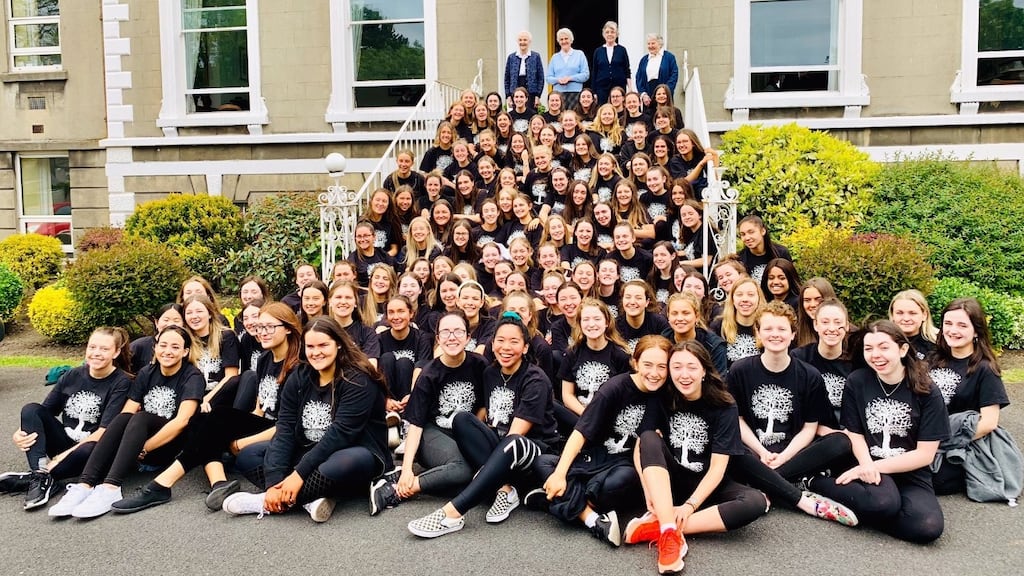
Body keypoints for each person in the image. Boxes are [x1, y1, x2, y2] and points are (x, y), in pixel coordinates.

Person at [110, 303, 302, 513]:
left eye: (269, 327)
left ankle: (161, 485)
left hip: (284, 431)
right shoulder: (266, 358)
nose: (262, 333)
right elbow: (260, 408)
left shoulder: (298, 367)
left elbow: (290, 424)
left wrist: (243, 441)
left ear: (288, 328)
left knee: (217, 419)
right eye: (259, 327)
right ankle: (219, 483)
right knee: (204, 417)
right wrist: (239, 426)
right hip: (267, 422)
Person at [220, 316, 392, 523]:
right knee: (249, 455)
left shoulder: (358, 379)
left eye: (323, 345)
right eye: (310, 346)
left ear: (338, 343)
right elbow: (285, 429)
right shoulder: (299, 376)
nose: (316, 352)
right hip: (308, 449)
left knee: (345, 461)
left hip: (353, 451)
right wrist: (273, 482)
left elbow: (340, 435)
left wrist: (297, 476)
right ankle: (305, 498)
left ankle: (265, 502)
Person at [407, 312, 560, 538]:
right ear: (492, 343)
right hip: (501, 449)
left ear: (526, 348)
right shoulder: (489, 372)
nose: (505, 347)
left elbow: (516, 435)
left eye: (514, 341)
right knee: (462, 419)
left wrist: (482, 470)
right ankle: (504, 489)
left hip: (532, 451)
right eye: (500, 340)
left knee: (513, 442)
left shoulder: (534, 379)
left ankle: (453, 513)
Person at [623, 341, 769, 575]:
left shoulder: (724, 405)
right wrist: (647, 488)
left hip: (706, 485)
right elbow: (642, 445)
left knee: (755, 502)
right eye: (677, 367)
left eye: (691, 367)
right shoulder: (661, 397)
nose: (684, 375)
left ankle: (660, 526)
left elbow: (718, 468)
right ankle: (670, 533)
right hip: (670, 481)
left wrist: (691, 506)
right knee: (649, 436)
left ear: (704, 371)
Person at [808, 320, 949, 543]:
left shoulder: (927, 391)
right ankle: (813, 483)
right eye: (868, 348)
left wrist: (873, 467)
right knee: (883, 503)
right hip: (867, 465)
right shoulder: (858, 381)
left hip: (910, 471)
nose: (876, 355)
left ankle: (858, 512)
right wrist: (865, 465)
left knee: (927, 528)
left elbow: (925, 454)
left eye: (884, 347)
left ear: (902, 349)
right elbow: (854, 433)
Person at [46, 326, 204, 518]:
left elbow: (182, 421)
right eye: (163, 345)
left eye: (175, 347)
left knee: (141, 417)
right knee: (123, 417)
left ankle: (111, 487)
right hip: (138, 444)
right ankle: (84, 485)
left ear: (185, 351)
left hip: (165, 448)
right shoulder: (147, 372)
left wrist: (143, 448)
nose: (168, 351)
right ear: (155, 347)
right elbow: (127, 412)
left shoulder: (192, 376)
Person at [532, 335, 673, 548]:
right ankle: (592, 519)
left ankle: (552, 499)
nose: (654, 373)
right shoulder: (614, 388)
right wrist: (560, 474)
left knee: (620, 482)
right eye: (648, 365)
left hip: (626, 464)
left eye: (662, 367)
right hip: (595, 455)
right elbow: (580, 432)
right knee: (543, 463)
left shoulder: (666, 394)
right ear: (635, 363)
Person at [726, 302, 859, 528]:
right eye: (768, 329)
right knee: (729, 449)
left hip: (793, 453)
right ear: (758, 333)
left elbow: (810, 427)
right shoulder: (740, 370)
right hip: (753, 451)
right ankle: (798, 493)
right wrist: (761, 451)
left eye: (782, 329)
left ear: (793, 334)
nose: (775, 334)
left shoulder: (809, 375)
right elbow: (736, 421)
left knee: (841, 441)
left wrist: (784, 457)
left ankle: (766, 485)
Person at [2, 328, 132, 510]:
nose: (96, 353)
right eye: (92, 347)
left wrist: (62, 457)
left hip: (93, 450)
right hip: (65, 442)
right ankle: (40, 475)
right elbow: (43, 412)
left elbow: (104, 432)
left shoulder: (121, 383)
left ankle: (38, 478)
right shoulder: (73, 375)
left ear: (116, 352)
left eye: (104, 349)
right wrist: (20, 433)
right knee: (30, 409)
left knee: (91, 447)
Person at [928, 298, 1019, 499]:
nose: (953, 330)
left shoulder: (985, 369)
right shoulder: (933, 359)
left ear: (976, 331)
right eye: (948, 324)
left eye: (962, 325)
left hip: (965, 443)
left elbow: (989, 422)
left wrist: (941, 442)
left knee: (930, 480)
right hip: (930, 437)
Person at [558, 298, 632, 419]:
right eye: (586, 319)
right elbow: (567, 395)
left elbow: (624, 396)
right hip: (580, 415)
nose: (591, 324)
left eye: (597, 319)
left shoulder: (620, 355)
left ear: (607, 322)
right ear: (580, 324)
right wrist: (587, 415)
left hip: (608, 416)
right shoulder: (572, 353)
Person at [791, 299, 854, 432]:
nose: (832, 328)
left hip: (849, 434)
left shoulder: (856, 361)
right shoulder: (799, 358)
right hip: (810, 433)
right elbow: (796, 409)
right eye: (825, 322)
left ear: (847, 326)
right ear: (815, 324)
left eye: (838, 323)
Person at [183, 295, 240, 412]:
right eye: (189, 313)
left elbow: (231, 376)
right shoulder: (184, 341)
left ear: (209, 314)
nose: (194, 316)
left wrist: (206, 399)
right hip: (195, 395)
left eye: (199, 311)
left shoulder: (226, 336)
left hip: (221, 393)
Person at [664, 292, 729, 377]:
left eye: (685, 313)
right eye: (674, 313)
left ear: (697, 316)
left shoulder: (714, 346)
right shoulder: (662, 342)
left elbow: (719, 383)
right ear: (668, 316)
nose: (679, 318)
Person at [736, 215, 792, 284]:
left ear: (763, 231)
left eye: (751, 232)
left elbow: (791, 282)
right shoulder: (740, 259)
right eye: (743, 234)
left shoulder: (781, 253)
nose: (747, 238)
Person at [130, 304, 184, 373]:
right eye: (166, 320)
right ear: (156, 322)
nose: (170, 324)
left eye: (176, 321)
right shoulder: (139, 346)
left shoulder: (188, 347)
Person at [546, 28, 589, 112]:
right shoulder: (555, 57)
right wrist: (558, 80)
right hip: (559, 94)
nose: (564, 41)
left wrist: (570, 78)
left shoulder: (579, 54)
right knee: (560, 118)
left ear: (571, 40)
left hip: (575, 93)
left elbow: (585, 74)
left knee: (574, 117)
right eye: (561, 39)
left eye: (566, 39)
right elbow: (548, 78)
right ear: (558, 41)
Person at [888, 289, 938, 360]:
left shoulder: (938, 345)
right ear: (892, 315)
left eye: (912, 313)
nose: (906, 319)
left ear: (924, 315)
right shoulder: (882, 343)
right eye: (900, 313)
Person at [591, 21, 632, 105]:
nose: (610, 34)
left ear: (616, 34)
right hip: (602, 88)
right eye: (607, 32)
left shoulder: (622, 50)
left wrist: (630, 89)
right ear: (603, 34)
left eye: (612, 32)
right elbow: (594, 71)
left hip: (619, 86)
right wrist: (594, 92)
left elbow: (627, 70)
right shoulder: (598, 51)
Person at [636, 34, 679, 108]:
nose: (650, 46)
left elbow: (674, 75)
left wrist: (665, 92)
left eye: (653, 43)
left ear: (660, 44)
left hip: (664, 94)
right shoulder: (644, 60)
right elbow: (639, 78)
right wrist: (643, 94)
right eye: (648, 44)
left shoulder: (669, 57)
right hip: (649, 95)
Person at [504, 30, 545, 108]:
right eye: (520, 40)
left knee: (531, 115)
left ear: (529, 41)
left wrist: (538, 95)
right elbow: (507, 78)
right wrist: (508, 96)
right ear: (517, 41)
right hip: (515, 93)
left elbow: (540, 78)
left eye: (525, 40)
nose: (522, 42)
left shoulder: (536, 56)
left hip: (532, 93)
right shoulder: (511, 57)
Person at [795, 277, 837, 348]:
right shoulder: (796, 333)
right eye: (807, 300)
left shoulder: (850, 334)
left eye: (818, 299)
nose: (812, 305)